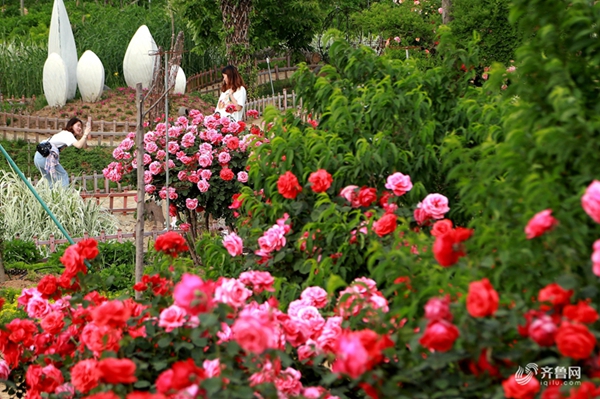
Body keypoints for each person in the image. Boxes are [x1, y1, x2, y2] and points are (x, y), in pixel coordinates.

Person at [34, 116, 92, 188]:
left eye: (81, 127)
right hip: (45, 157)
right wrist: (85, 134)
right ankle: (65, 197)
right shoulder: (68, 134)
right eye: (78, 125)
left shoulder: (65, 134)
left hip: (38, 156)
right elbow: (79, 145)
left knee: (50, 182)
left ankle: (50, 198)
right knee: (63, 176)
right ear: (71, 125)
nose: (80, 128)